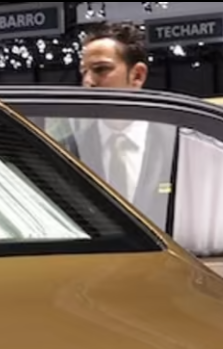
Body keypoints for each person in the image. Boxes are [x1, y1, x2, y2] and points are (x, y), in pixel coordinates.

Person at [61, 22, 178, 230]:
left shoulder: (177, 146)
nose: (88, 82)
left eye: (101, 69)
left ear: (137, 76)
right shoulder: (67, 151)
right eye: (84, 72)